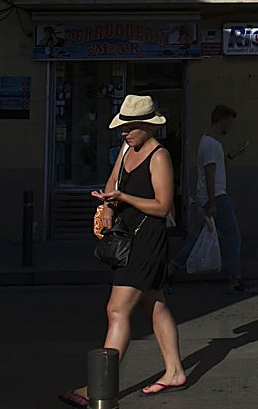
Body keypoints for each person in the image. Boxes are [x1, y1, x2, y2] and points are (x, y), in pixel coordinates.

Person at [59, 95, 186, 407]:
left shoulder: (159, 156)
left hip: (148, 240)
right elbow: (112, 183)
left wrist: (124, 199)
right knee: (154, 304)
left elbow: (163, 206)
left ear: (146, 126)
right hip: (129, 237)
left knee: (117, 310)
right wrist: (106, 204)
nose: (124, 133)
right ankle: (175, 371)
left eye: (129, 128)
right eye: (122, 128)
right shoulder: (128, 150)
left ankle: (99, 387)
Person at [168, 103, 251, 294]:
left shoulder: (210, 143)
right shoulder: (210, 144)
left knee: (200, 239)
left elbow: (214, 168)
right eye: (229, 123)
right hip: (216, 197)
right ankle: (234, 279)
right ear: (222, 121)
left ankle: (170, 269)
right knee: (233, 237)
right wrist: (213, 202)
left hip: (211, 197)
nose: (229, 128)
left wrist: (231, 155)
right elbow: (210, 174)